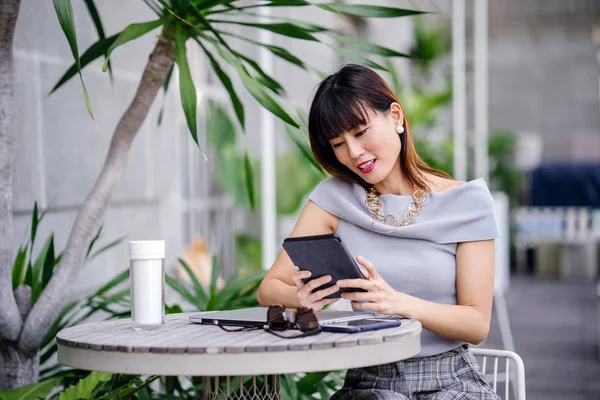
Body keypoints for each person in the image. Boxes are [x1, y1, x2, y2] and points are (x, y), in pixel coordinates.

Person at [256, 63, 500, 400]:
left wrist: (397, 302)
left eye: (360, 132)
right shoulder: (334, 199)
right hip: (371, 382)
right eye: (338, 144)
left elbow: (477, 324)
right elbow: (268, 288)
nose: (354, 153)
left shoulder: (467, 203)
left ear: (396, 117)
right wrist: (301, 298)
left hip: (452, 382)